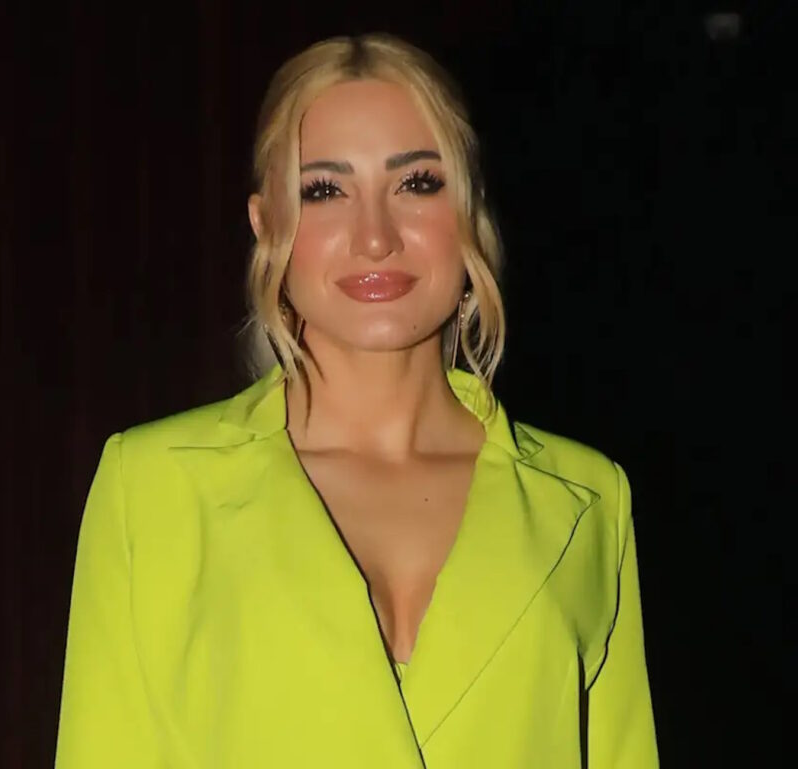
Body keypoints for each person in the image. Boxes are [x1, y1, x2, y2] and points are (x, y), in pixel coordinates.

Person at [55, 33, 657, 769]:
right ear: (266, 224)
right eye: (324, 191)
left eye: (417, 184)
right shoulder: (153, 488)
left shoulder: (587, 499)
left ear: (469, 209)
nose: (375, 238)